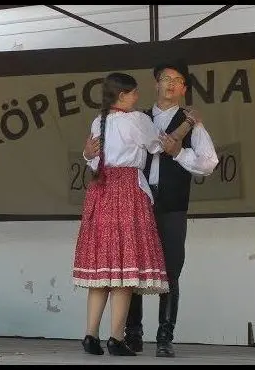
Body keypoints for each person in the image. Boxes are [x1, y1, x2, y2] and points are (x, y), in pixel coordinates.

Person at [120, 61, 219, 357]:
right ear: (156, 83)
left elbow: (209, 162)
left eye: (178, 80)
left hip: (173, 202)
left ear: (184, 89)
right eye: (166, 78)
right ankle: (133, 335)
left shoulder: (192, 122)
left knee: (171, 269)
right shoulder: (137, 118)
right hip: (139, 199)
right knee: (133, 268)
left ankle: (165, 337)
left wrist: (179, 152)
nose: (171, 84)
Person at [73, 72, 169, 356]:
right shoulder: (138, 120)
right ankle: (116, 338)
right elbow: (156, 146)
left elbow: (91, 158)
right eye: (134, 93)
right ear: (122, 95)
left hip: (101, 192)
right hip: (127, 190)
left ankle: (90, 335)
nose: (138, 97)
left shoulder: (98, 120)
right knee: (125, 269)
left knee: (102, 271)